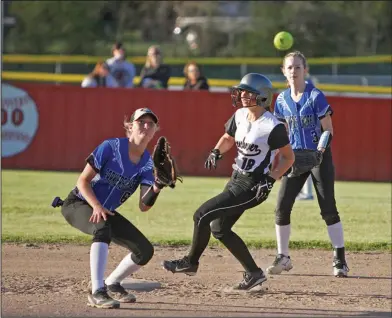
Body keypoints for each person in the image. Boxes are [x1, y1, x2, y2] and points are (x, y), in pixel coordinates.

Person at [162, 73, 295, 291]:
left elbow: (289, 158)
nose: (242, 95)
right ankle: (254, 274)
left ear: (262, 96)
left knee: (201, 215)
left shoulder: (273, 126)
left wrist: (271, 179)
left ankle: (191, 262)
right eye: (241, 91)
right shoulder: (240, 115)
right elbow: (228, 138)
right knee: (220, 228)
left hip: (253, 184)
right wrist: (216, 151)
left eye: (248, 92)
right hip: (236, 179)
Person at [58, 108, 168, 309]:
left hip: (105, 212)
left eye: (150, 123)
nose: (145, 126)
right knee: (101, 228)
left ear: (155, 131)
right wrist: (97, 206)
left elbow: (144, 205)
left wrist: (157, 187)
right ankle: (97, 291)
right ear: (130, 126)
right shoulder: (111, 146)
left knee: (144, 251)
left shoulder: (146, 165)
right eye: (140, 122)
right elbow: (83, 181)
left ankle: (113, 282)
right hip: (78, 203)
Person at [266, 51, 349, 278]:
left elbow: (328, 129)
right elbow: (280, 133)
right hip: (294, 158)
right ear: (284, 71)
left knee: (328, 208)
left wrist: (320, 152)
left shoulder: (315, 96)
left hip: (318, 157)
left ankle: (339, 259)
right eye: (289, 67)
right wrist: (273, 156)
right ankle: (283, 257)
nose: (294, 71)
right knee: (282, 207)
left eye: (298, 67)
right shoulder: (281, 100)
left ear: (305, 70)